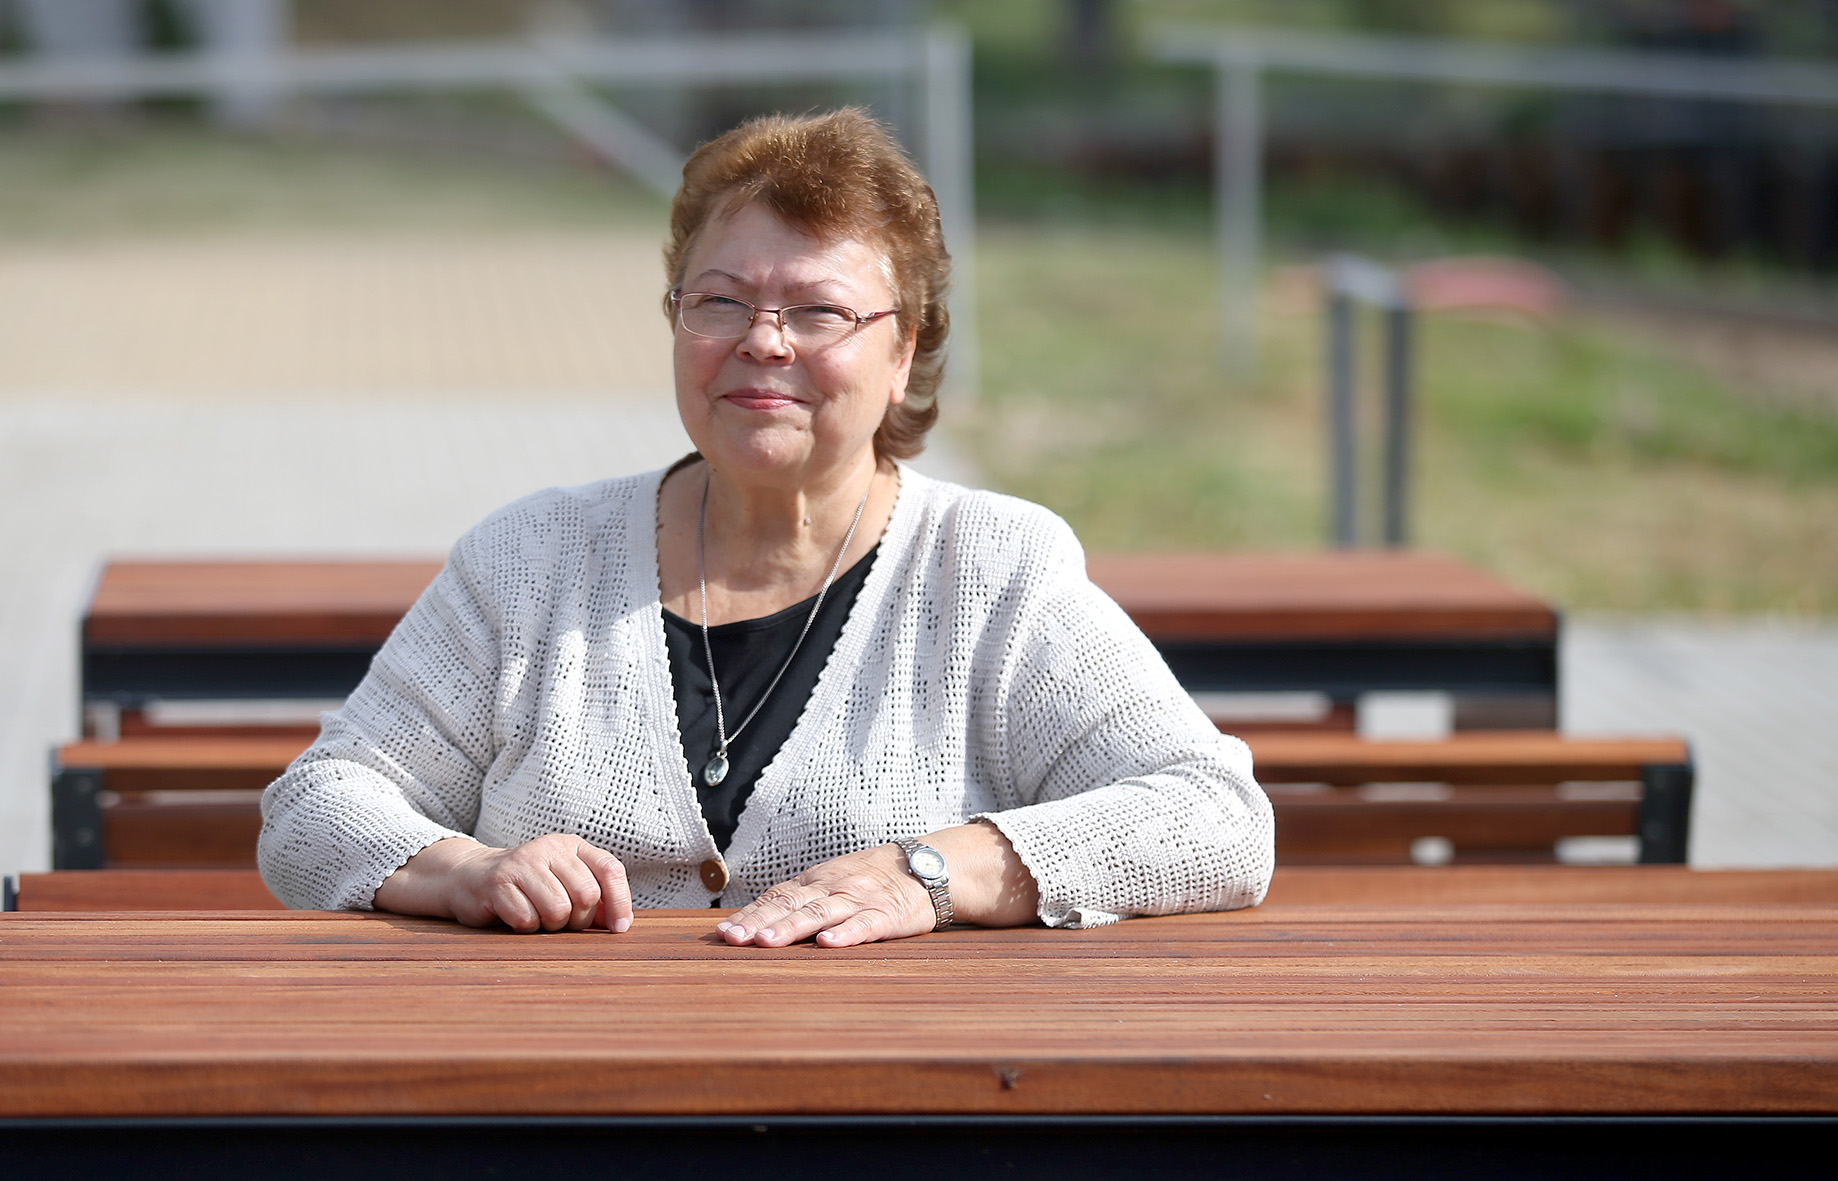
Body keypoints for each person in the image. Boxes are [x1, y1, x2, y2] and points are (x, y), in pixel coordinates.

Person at [257, 108, 1272, 948]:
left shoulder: (989, 569)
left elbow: (1213, 815)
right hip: (562, 1102)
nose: (761, 342)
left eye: (818, 311)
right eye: (721, 300)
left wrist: (930, 871)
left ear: (903, 347)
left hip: (882, 1108)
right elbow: (315, 807)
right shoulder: (530, 558)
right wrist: (465, 868)